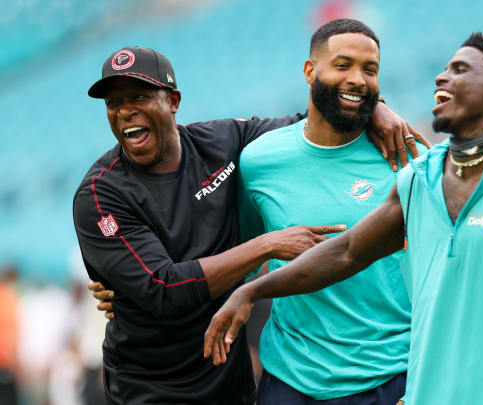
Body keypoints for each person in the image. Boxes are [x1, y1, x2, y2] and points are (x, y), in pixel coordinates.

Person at [205, 32, 483, 405]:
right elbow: (347, 252)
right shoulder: (418, 178)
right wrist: (252, 290)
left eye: (461, 69)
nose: (441, 76)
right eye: (446, 67)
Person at [73, 46, 426, 404]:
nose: (125, 111)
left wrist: (377, 108)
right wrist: (267, 245)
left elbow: (318, 119)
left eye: (140, 96)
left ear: (173, 101)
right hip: (153, 386)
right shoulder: (100, 194)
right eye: (113, 103)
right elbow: (162, 288)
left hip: (230, 379)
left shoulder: (223, 142)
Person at [236, 19, 425, 404]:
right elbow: (236, 250)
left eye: (369, 70)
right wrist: (132, 284)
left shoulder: (407, 158)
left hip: (391, 378)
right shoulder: (259, 161)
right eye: (343, 65)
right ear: (310, 71)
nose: (357, 79)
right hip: (290, 379)